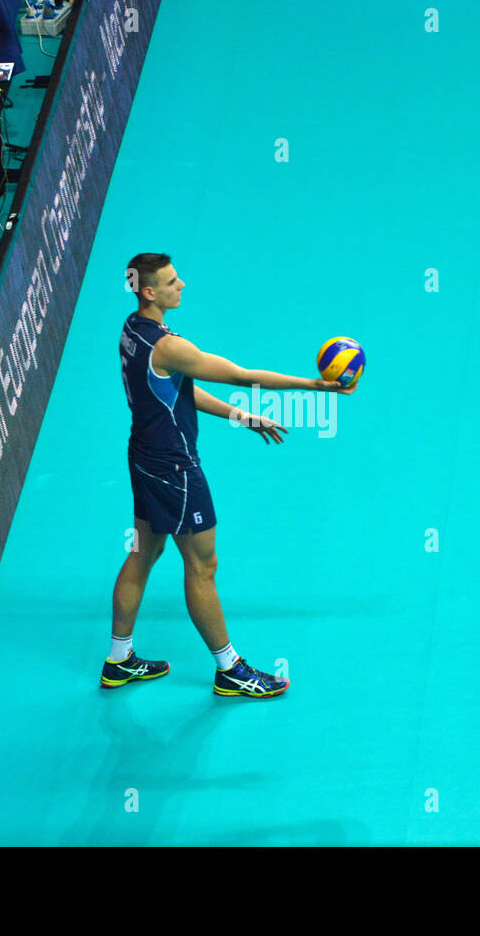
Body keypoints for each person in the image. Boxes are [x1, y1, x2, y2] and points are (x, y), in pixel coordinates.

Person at [104, 254, 354, 698]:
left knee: (143, 551)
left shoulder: (131, 331)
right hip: (175, 469)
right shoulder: (169, 346)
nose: (181, 285)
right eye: (171, 281)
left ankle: (119, 659)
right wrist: (318, 387)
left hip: (143, 457)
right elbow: (240, 374)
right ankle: (230, 670)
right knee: (202, 566)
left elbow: (177, 388)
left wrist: (241, 416)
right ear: (149, 292)